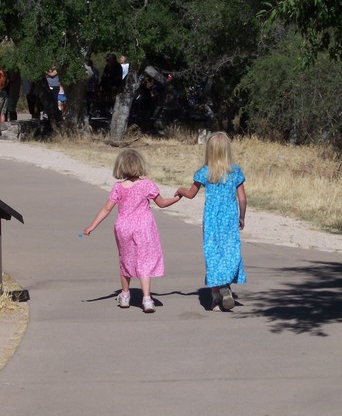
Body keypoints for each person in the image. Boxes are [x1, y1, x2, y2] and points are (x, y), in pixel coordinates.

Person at [83, 148, 181, 313]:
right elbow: (162, 203)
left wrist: (92, 226)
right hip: (143, 228)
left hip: (124, 227)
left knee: (125, 259)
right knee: (145, 261)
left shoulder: (118, 187)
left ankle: (125, 295)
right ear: (140, 165)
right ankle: (147, 299)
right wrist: (178, 196)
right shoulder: (147, 185)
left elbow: (106, 209)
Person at [175, 131, 246, 311]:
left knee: (213, 253)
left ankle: (215, 297)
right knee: (230, 251)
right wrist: (242, 216)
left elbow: (191, 194)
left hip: (212, 219)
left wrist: (181, 190)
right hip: (230, 217)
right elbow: (243, 199)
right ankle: (226, 287)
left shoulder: (204, 172)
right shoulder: (235, 171)